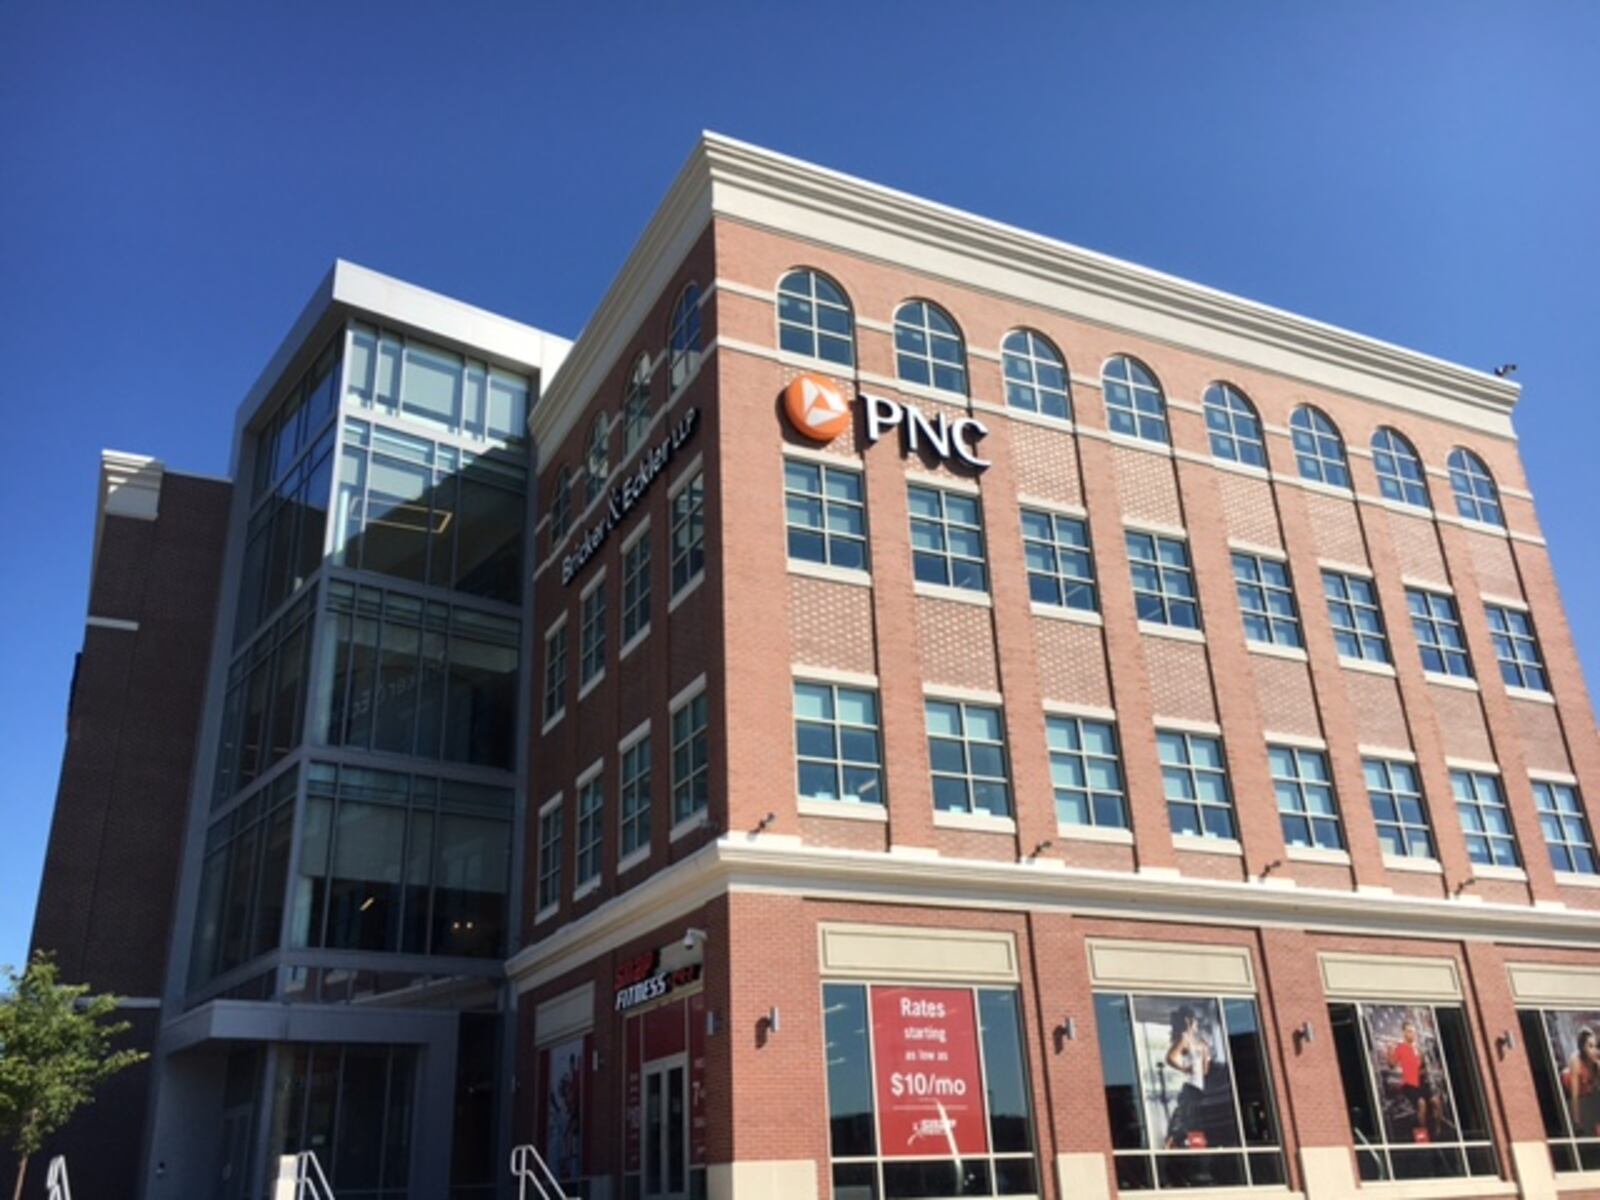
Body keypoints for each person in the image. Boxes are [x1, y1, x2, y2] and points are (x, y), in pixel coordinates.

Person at [1163, 1005, 1214, 1149]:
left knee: (1193, 1121)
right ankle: (1171, 1144)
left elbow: (1205, 1071)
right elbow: (1170, 1057)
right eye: (1196, 1021)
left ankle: (1189, 1146)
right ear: (1189, 1021)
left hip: (1199, 1087)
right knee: (1183, 1119)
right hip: (1190, 1086)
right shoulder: (1184, 1039)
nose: (1198, 1024)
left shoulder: (1200, 1042)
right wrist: (1184, 1068)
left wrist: (1205, 1054)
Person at [1388, 1021, 1432, 1139]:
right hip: (1409, 1084)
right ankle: (1423, 1135)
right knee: (1421, 1104)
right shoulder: (1401, 1048)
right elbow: (1392, 1064)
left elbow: (1422, 1067)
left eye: (1413, 1031)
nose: (1412, 1034)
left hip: (1421, 1082)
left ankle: (1437, 1132)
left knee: (1436, 1102)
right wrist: (1390, 1050)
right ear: (1404, 1033)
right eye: (1409, 1031)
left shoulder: (1418, 1049)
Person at [1568, 1026, 1600, 1138]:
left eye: (1595, 1046)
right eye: (1590, 1046)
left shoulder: (1596, 1062)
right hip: (1573, 1093)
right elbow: (1574, 1096)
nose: (1594, 1050)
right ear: (1583, 1048)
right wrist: (1576, 1122)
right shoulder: (1576, 1061)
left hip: (1588, 1096)